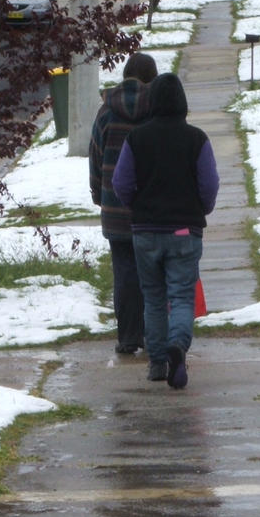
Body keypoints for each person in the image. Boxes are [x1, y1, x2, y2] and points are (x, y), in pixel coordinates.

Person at [111, 72, 219, 389]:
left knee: (154, 298)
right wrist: (200, 209)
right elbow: (209, 185)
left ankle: (158, 363)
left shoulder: (137, 139)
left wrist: (138, 206)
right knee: (182, 297)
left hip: (145, 232)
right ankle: (178, 348)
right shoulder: (197, 139)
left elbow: (121, 183)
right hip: (185, 231)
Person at [89, 52, 158, 354]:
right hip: (151, 208)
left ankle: (129, 336)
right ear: (151, 78)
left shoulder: (106, 113)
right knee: (154, 272)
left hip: (115, 208)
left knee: (125, 272)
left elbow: (95, 157)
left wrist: (98, 193)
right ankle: (154, 332)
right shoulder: (157, 111)